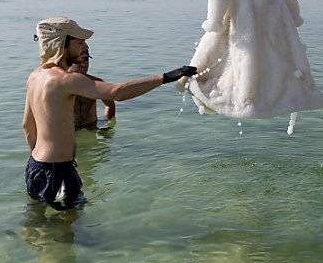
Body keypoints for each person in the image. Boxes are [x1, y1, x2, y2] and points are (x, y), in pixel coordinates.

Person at [23, 17, 196, 211]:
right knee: (67, 225)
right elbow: (116, 93)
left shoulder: (35, 76)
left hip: (37, 166)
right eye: (79, 42)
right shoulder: (65, 80)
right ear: (61, 44)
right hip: (57, 170)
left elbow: (27, 126)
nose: (84, 47)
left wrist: (39, 161)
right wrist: (167, 77)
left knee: (36, 219)